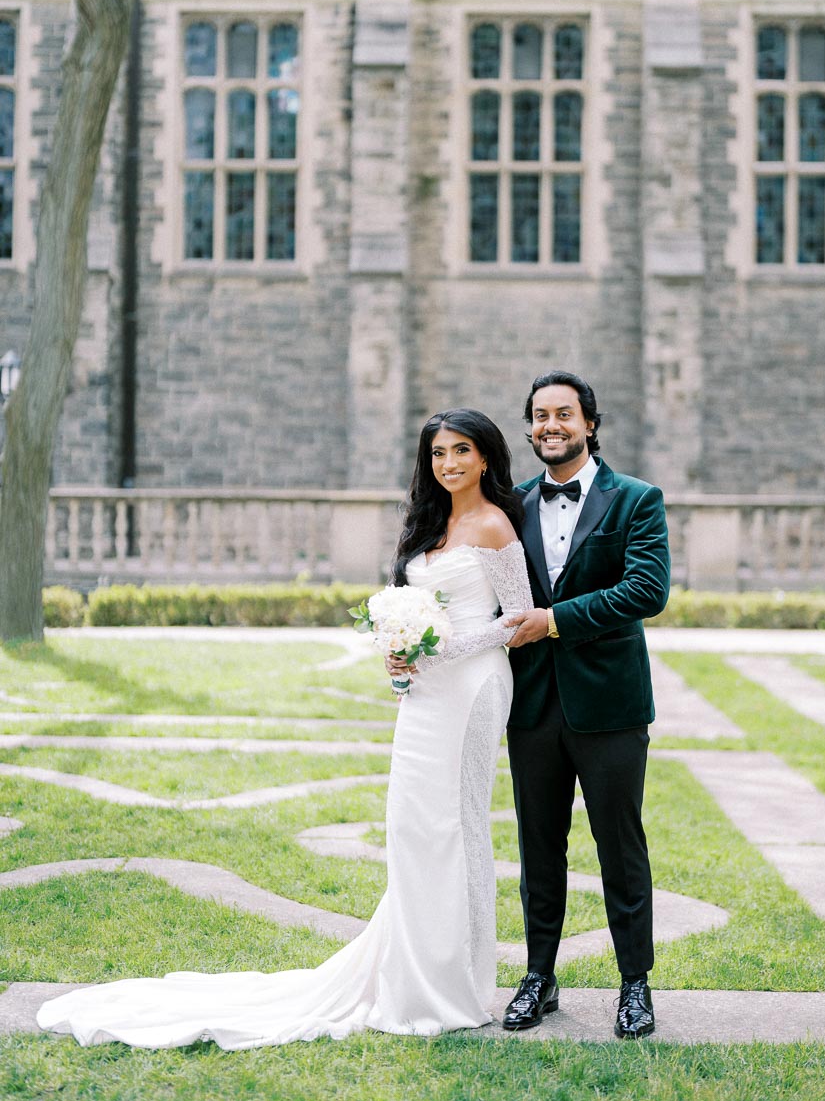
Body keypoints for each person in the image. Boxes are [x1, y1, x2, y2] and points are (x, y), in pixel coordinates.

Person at [37, 409, 533, 1049]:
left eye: (461, 451)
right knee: (410, 823)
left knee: (454, 824)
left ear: (486, 457)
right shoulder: (429, 521)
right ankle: (407, 967)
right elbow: (419, 618)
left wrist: (438, 650)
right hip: (426, 693)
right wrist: (402, 652)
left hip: (473, 687)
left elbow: (519, 620)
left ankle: (453, 983)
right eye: (438, 453)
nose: (449, 464)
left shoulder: (494, 525)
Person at [501, 371, 670, 1039]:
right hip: (533, 705)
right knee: (538, 848)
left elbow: (646, 591)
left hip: (611, 706)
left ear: (590, 424)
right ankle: (538, 977)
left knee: (620, 847)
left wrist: (555, 620)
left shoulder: (636, 499)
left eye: (563, 414)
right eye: (539, 415)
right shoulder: (508, 507)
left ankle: (635, 985)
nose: (550, 426)